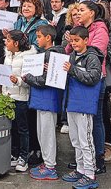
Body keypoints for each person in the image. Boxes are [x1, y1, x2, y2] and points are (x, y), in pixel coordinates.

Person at [66, 1, 110, 174]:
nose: (77, 13)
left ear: (91, 13)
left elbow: (97, 52)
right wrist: (73, 40)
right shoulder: (78, 28)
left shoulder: (100, 29)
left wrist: (79, 42)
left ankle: (97, 158)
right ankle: (83, 161)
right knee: (80, 125)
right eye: (76, 10)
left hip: (95, 79)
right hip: (76, 78)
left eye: (81, 10)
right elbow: (69, 50)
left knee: (95, 118)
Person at [60, 26, 103, 189]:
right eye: (72, 40)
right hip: (71, 102)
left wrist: (73, 70)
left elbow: (93, 77)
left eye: (77, 40)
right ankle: (80, 169)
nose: (74, 43)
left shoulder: (92, 58)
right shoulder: (71, 55)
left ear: (86, 40)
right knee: (75, 139)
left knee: (86, 140)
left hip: (84, 104)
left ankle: (90, 173)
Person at [24, 25, 65, 181]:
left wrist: (29, 77)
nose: (37, 39)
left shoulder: (53, 54)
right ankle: (48, 163)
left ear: (48, 37)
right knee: (42, 132)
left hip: (48, 98)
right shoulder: (46, 54)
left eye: (39, 36)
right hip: (42, 100)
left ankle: (50, 166)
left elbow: (46, 80)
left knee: (47, 133)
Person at [2, 29, 37, 172]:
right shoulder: (8, 54)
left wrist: (18, 81)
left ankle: (24, 157)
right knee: (12, 128)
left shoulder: (29, 57)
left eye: (9, 40)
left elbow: (30, 80)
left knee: (23, 128)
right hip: (8, 96)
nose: (6, 42)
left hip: (21, 97)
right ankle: (14, 153)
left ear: (16, 43)